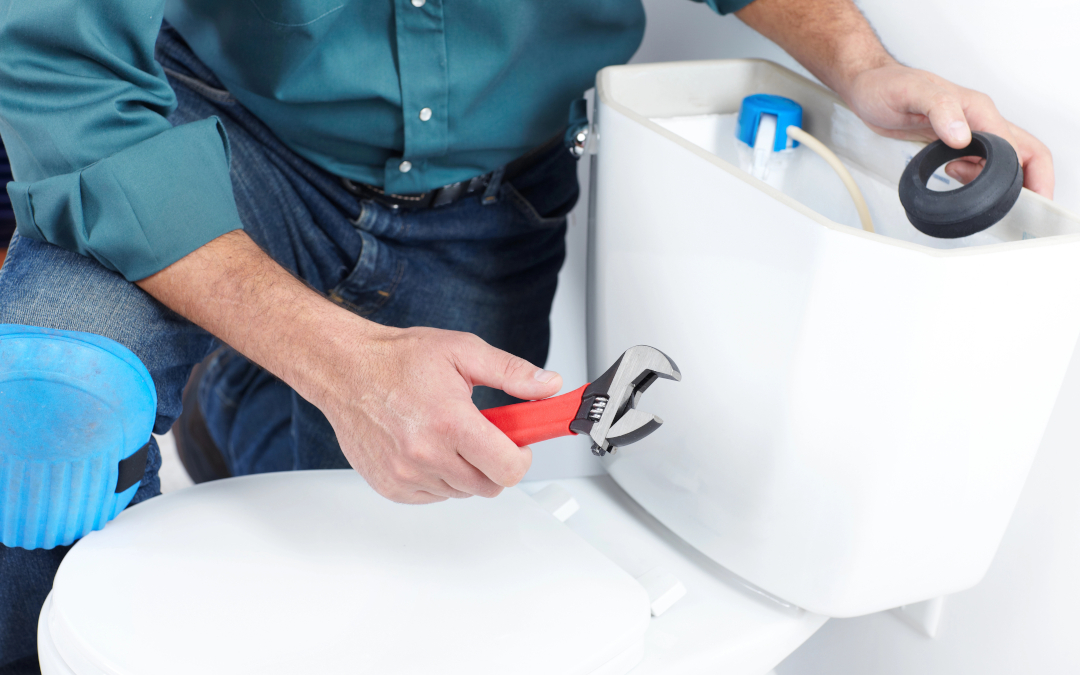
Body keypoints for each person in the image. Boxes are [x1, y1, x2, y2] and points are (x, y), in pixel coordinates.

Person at [0, 0, 1053, 671]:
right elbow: (64, 75)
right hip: (223, 143)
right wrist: (341, 364)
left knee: (376, 551)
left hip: (485, 202)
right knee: (43, 413)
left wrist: (859, 66)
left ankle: (234, 414)